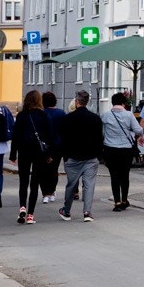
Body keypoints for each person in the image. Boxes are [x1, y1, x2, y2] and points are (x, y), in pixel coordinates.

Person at [57, 91, 104, 222]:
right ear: (87, 102)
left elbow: (63, 139)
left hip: (73, 157)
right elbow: (99, 139)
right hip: (91, 157)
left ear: (77, 101)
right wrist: (99, 156)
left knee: (71, 185)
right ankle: (87, 212)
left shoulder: (67, 119)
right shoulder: (95, 118)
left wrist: (65, 156)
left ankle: (66, 211)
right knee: (89, 185)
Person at [9, 90, 53, 224]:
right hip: (39, 152)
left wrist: (13, 154)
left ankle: (22, 207)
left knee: (23, 181)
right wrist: (49, 154)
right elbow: (49, 137)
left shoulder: (21, 116)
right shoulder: (44, 115)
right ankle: (30, 215)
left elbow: (15, 136)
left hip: (24, 151)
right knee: (35, 183)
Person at [100, 91, 142, 213]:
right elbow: (138, 130)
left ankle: (117, 202)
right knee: (124, 175)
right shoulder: (129, 115)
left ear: (112, 103)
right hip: (126, 150)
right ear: (123, 103)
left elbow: (102, 133)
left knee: (114, 175)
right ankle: (124, 200)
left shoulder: (105, 115)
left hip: (110, 149)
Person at [39, 91, 67, 202]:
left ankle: (45, 193)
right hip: (58, 146)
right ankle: (52, 191)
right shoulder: (61, 113)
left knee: (43, 170)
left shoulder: (41, 113)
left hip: (44, 147)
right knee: (54, 169)